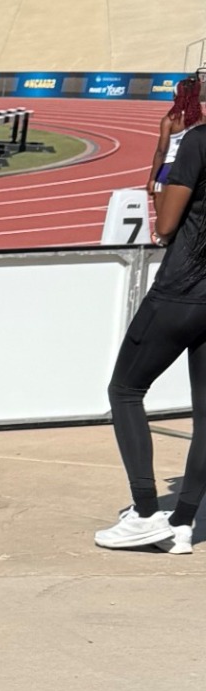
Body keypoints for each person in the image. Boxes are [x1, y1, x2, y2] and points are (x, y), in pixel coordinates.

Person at [97, 105, 206, 556]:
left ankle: (144, 513)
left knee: (124, 389)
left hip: (183, 288)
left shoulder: (199, 140)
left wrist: (167, 162)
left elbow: (164, 225)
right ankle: (182, 521)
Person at [146, 75, 203, 194]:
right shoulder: (203, 120)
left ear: (176, 96)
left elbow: (161, 151)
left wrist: (152, 179)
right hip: (195, 168)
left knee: (163, 208)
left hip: (169, 167)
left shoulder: (170, 121)